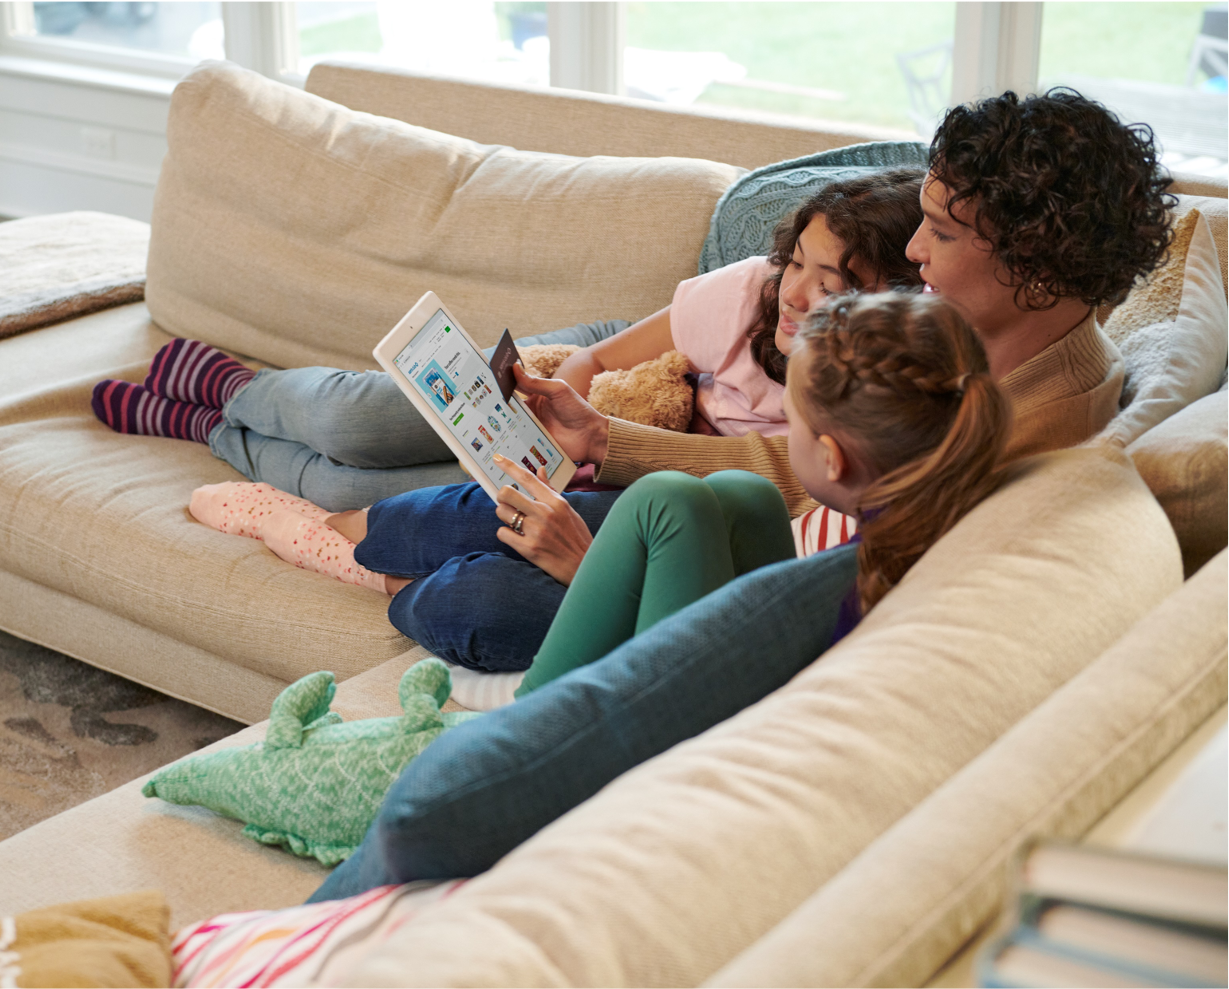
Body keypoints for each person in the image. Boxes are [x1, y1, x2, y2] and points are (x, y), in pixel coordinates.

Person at [340, 88, 1175, 672]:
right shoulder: (976, 334)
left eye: (942, 232)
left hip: (729, 589)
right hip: (742, 538)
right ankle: (341, 535)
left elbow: (811, 605)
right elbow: (814, 466)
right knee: (471, 512)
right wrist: (607, 438)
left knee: (471, 599)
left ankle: (375, 566)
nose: (914, 253)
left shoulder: (1029, 432)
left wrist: (589, 564)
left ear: (1033, 264)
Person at [90, 170, 925, 512]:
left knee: (359, 494)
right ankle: (230, 386)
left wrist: (582, 465)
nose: (800, 295)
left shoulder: (869, 400)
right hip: (609, 378)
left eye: (838, 283)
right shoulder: (746, 295)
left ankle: (207, 427)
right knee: (366, 425)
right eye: (800, 263)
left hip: (636, 455)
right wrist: (559, 423)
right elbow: (604, 363)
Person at [502, 289, 1008, 700]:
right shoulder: (923, 514)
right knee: (743, 492)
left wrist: (601, 570)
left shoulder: (846, 573)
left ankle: (521, 722)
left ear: (832, 458)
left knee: (663, 499)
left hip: (680, 727)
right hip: (760, 673)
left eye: (794, 423)